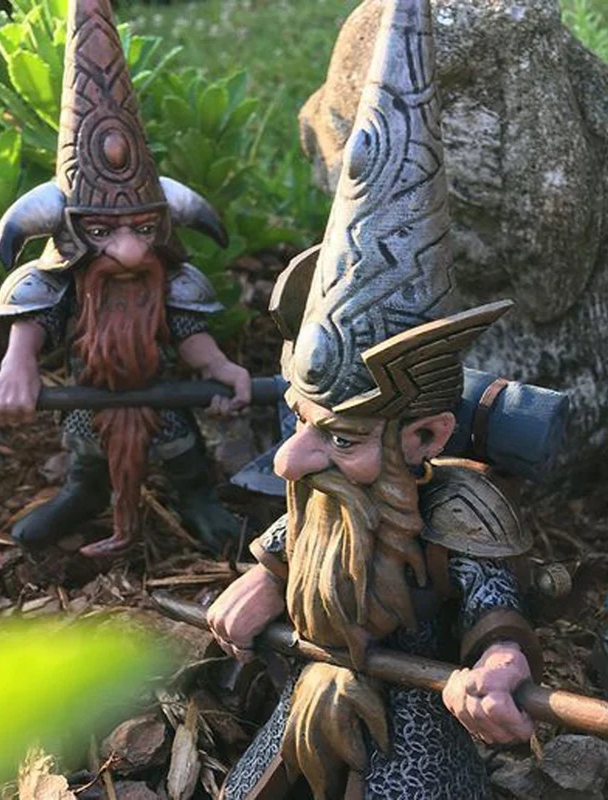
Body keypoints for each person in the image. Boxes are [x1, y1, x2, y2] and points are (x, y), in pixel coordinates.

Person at [206, 2, 541, 796]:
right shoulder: (328, 496)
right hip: (311, 692)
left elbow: (494, 611)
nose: (291, 459)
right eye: (303, 424)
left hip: (418, 714)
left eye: (342, 438)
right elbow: (303, 536)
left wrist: (497, 666)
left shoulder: (460, 510)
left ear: (424, 437)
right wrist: (267, 575)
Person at [0, 0, 250, 558]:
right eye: (103, 231)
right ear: (72, 231)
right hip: (92, 393)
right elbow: (31, 324)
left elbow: (191, 336)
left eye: (144, 229)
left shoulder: (172, 282)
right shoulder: (57, 285)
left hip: (161, 389)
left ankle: (197, 500)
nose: (129, 251)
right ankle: (84, 495)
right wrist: (16, 365)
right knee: (87, 450)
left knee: (181, 449)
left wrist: (219, 368)